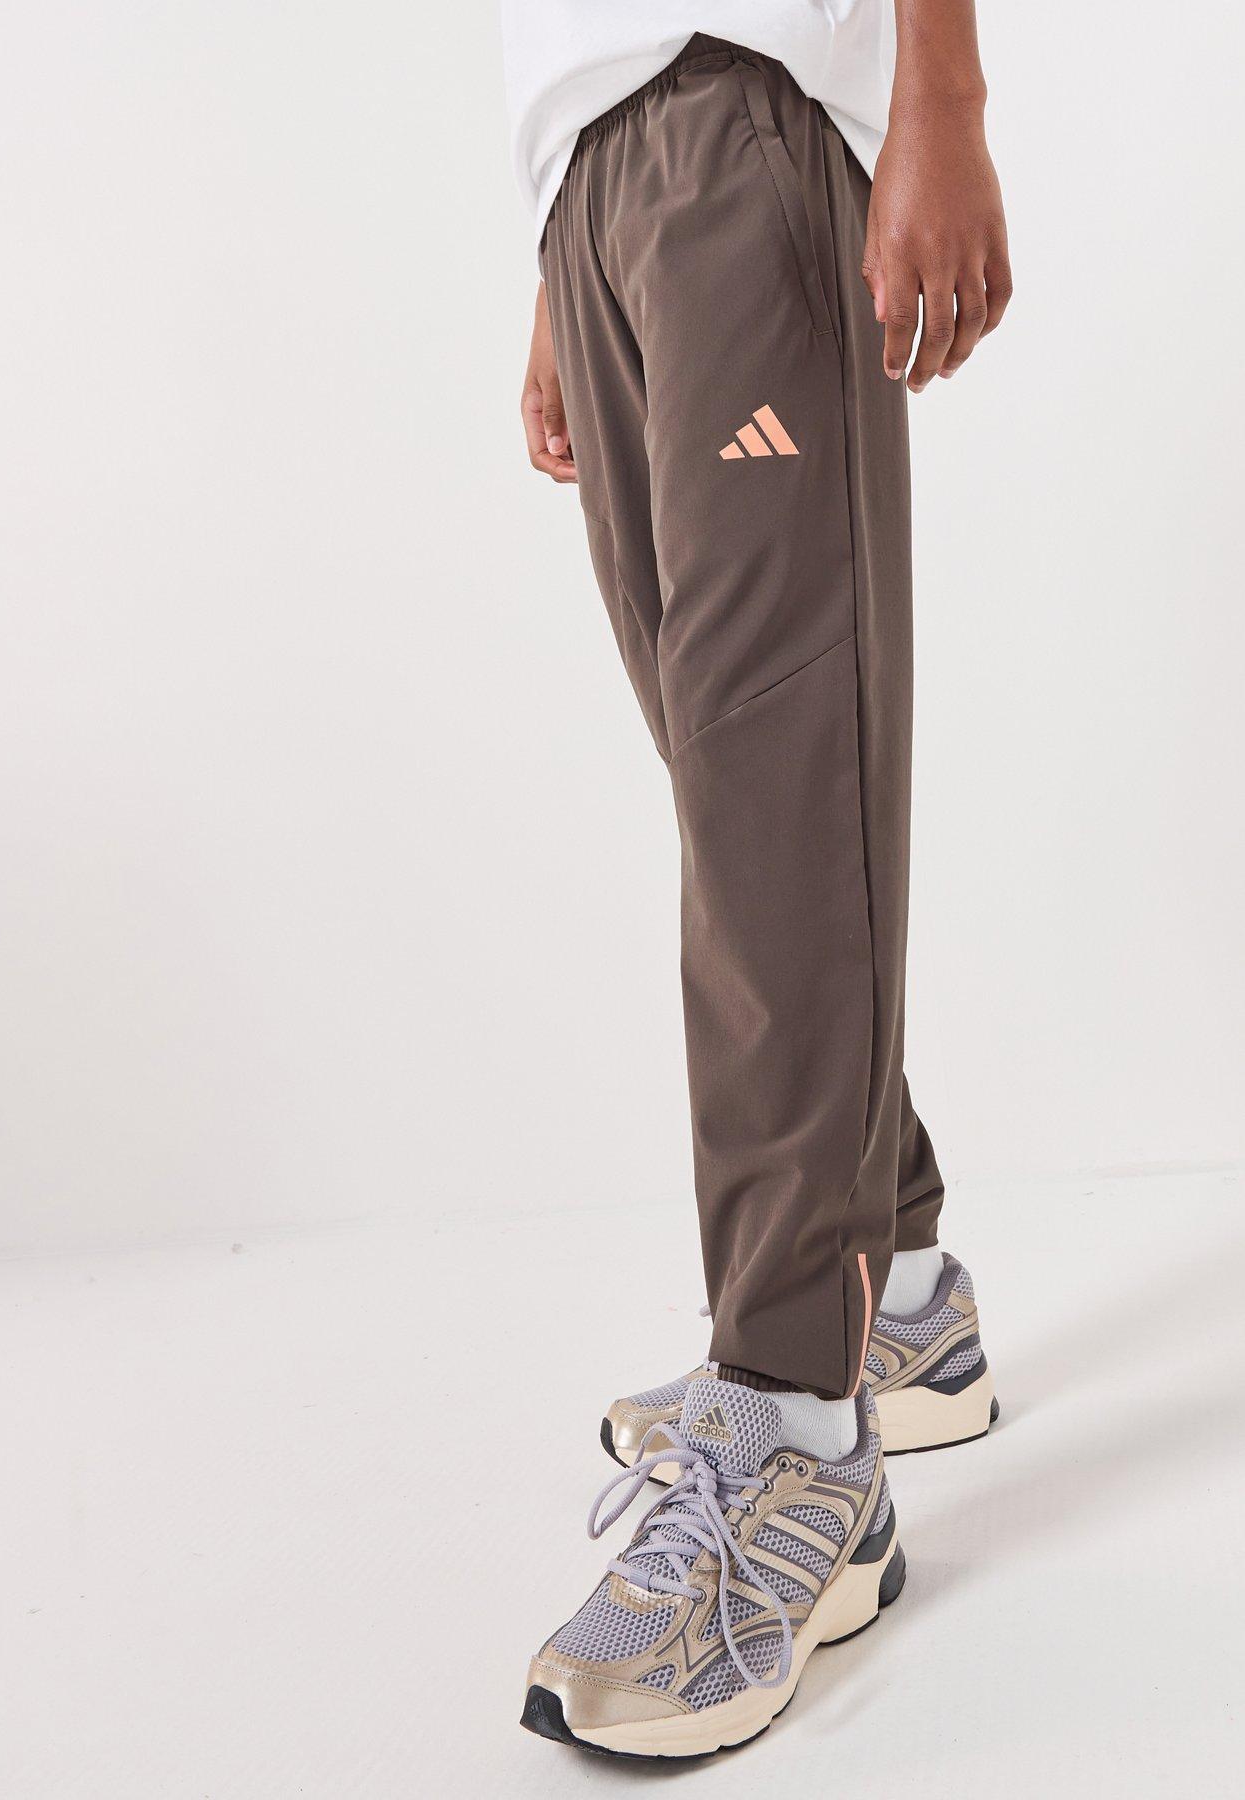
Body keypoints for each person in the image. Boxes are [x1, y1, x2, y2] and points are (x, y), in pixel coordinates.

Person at [503, 0, 1011, 1759]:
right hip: (599, 164)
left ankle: (800, 1431)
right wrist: (562, 242)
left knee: (781, 778)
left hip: (748, 103)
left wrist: (940, 95)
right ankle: (900, 1288)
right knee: (743, 802)